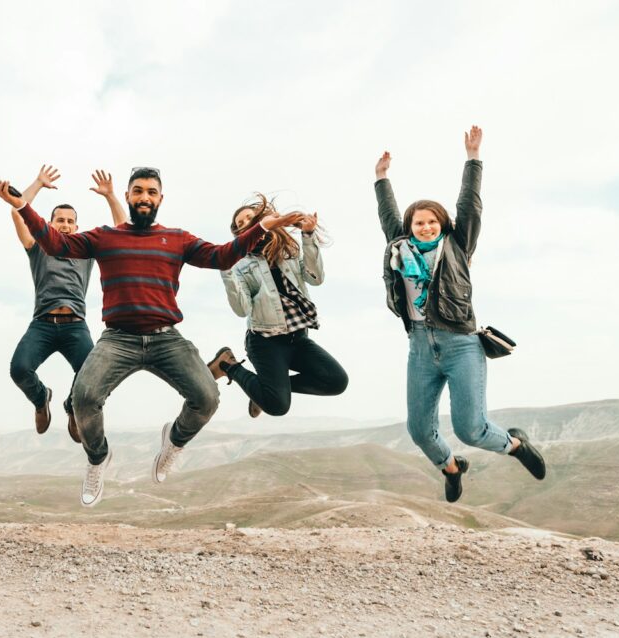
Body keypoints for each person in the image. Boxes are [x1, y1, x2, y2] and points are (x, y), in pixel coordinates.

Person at [0, 167, 308, 507]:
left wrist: (262, 227)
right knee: (83, 399)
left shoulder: (177, 239)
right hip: (118, 340)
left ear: (160, 199)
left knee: (207, 398)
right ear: (128, 196)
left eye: (151, 192)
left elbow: (222, 256)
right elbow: (55, 242)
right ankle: (98, 458)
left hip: (166, 339)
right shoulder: (105, 237)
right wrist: (23, 205)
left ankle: (173, 440)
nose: (144, 197)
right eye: (138, 190)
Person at [374, 126, 546, 503]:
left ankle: (515, 445)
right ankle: (452, 468)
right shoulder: (398, 248)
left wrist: (473, 158)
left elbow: (470, 204)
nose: (425, 226)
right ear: (410, 227)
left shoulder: (458, 244)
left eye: (432, 221)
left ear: (443, 224)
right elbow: (387, 215)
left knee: (471, 429)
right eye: (419, 222)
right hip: (420, 347)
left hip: (461, 344)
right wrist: (381, 178)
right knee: (419, 430)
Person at [7, 165, 127, 441]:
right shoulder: (38, 247)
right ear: (50, 225)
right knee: (19, 369)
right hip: (42, 325)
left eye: (70, 221)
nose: (64, 224)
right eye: (59, 220)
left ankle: (72, 406)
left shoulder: (86, 251)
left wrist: (110, 196)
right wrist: (37, 182)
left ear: (76, 226)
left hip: (75, 327)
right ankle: (41, 398)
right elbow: (17, 210)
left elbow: (122, 231)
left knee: (94, 377)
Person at [213, 196, 348, 416]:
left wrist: (308, 235)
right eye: (240, 224)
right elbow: (242, 310)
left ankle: (266, 391)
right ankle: (228, 365)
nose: (246, 223)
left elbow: (316, 278)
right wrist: (226, 269)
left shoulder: (289, 251)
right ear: (240, 234)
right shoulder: (239, 264)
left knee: (336, 382)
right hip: (265, 343)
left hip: (298, 339)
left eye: (249, 217)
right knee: (278, 406)